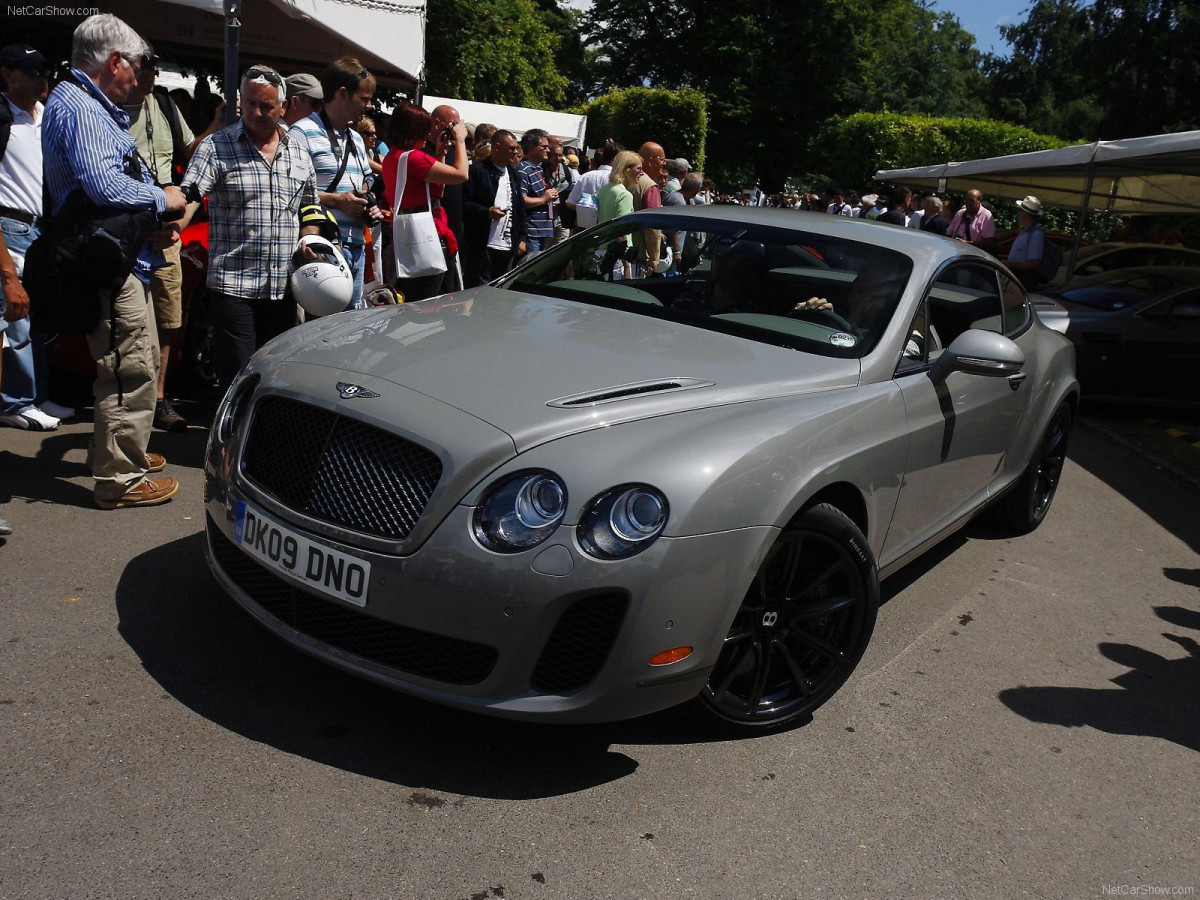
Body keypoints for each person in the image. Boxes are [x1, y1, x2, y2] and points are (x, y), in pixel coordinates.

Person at [42, 13, 187, 508]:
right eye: (141, 64)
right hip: (106, 261)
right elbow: (105, 187)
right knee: (129, 368)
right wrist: (162, 199)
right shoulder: (82, 107)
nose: (142, 76)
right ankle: (118, 478)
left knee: (133, 359)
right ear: (116, 60)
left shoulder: (82, 102)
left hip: (116, 254)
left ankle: (118, 451)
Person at [177, 64, 319, 392]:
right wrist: (173, 225)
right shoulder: (217, 147)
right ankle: (229, 443)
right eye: (250, 103)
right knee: (239, 378)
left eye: (266, 105)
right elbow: (191, 195)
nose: (256, 112)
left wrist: (310, 235)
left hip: (282, 288)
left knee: (273, 377)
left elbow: (310, 206)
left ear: (283, 107)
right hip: (233, 285)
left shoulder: (298, 150)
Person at [122, 45, 223, 432]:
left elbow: (191, 151)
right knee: (129, 322)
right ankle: (131, 406)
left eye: (154, 65)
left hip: (166, 228)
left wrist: (215, 123)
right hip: (128, 226)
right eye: (145, 66)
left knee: (168, 318)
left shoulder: (163, 104)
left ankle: (159, 399)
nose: (152, 72)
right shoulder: (106, 111)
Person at [0, 43, 69, 433]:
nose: (41, 79)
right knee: (17, 321)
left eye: (44, 71)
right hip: (12, 225)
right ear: (8, 74)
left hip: (43, 229)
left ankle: (37, 396)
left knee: (39, 320)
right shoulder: (2, 117)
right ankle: (16, 402)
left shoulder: (46, 116)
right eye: (31, 72)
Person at [288, 57, 383, 309]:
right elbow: (290, 193)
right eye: (364, 99)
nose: (369, 105)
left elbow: (364, 185)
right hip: (323, 247)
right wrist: (339, 201)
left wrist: (369, 204)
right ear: (342, 94)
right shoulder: (302, 132)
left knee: (349, 327)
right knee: (322, 329)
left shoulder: (355, 137)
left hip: (357, 245)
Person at [381, 101, 468, 302]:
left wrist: (440, 152)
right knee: (431, 303)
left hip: (411, 238)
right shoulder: (414, 158)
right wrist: (461, 141)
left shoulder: (394, 156)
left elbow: (437, 188)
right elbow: (461, 174)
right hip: (429, 239)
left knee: (417, 297)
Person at [461, 129, 525, 287]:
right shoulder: (477, 171)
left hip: (507, 246)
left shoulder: (513, 174)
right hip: (482, 244)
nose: (515, 152)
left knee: (500, 287)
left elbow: (520, 209)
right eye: (511, 148)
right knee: (479, 288)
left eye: (516, 148)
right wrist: (486, 212)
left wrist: (522, 238)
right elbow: (464, 204)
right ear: (497, 147)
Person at [516, 128, 556, 258]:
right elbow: (520, 200)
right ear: (532, 148)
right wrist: (544, 199)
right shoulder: (524, 170)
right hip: (532, 232)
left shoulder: (539, 169)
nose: (548, 150)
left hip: (542, 231)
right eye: (544, 147)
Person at [566, 138, 618, 232]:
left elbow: (571, 203)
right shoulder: (618, 180)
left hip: (583, 230)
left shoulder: (585, 176)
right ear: (614, 159)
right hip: (607, 229)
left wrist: (586, 212)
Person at [1005, 195, 1047, 289]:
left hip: (1023, 279)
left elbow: (1034, 263)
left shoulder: (1036, 234)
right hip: (1017, 276)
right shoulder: (1025, 231)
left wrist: (1011, 265)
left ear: (1025, 214)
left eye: (1020, 210)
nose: (1018, 212)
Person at [947, 188, 997, 253]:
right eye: (967, 200)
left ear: (979, 201)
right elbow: (949, 233)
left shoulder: (986, 215)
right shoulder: (960, 213)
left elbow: (990, 242)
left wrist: (967, 243)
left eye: (972, 201)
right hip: (957, 252)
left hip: (974, 255)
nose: (968, 203)